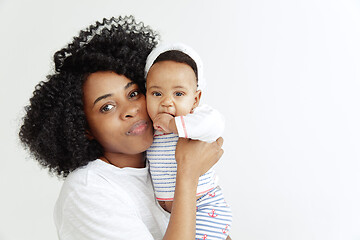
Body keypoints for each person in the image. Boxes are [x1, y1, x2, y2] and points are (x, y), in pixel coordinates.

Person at [18, 16, 224, 240]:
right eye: (107, 107)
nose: (130, 110)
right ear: (84, 127)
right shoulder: (88, 191)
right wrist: (188, 173)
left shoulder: (159, 165)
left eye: (133, 94)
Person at [144, 43, 232, 239]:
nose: (167, 101)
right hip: (173, 215)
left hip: (205, 206)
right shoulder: (149, 130)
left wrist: (174, 125)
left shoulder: (193, 121)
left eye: (179, 94)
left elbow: (215, 124)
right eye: (156, 93)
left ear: (195, 99)